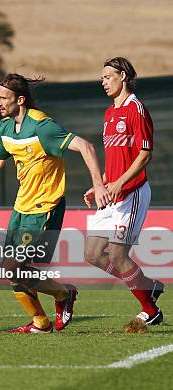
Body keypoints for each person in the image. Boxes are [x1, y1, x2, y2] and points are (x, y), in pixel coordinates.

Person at [0, 73, 110, 333]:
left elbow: (86, 146)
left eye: (3, 98)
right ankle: (41, 322)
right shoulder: (5, 127)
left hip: (45, 208)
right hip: (21, 208)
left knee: (13, 266)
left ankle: (64, 294)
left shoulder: (42, 126)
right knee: (12, 271)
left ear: (20, 99)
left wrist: (98, 185)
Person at [83, 57, 164, 330]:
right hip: (111, 193)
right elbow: (114, 157)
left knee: (117, 254)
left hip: (133, 191)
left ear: (124, 76)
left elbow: (144, 154)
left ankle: (150, 310)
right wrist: (101, 185)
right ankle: (147, 286)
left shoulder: (136, 109)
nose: (103, 81)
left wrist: (120, 184)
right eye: (102, 77)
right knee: (93, 254)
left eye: (107, 76)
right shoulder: (109, 113)